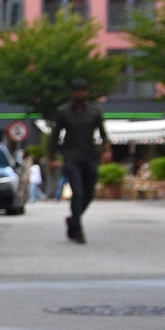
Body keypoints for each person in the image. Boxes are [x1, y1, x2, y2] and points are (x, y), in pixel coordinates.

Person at [46, 77, 109, 244]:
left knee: (89, 194)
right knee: (78, 193)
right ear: (72, 93)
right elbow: (55, 136)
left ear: (86, 93)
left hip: (90, 156)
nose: (80, 94)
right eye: (77, 91)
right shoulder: (63, 112)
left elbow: (103, 134)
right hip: (71, 156)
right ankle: (79, 231)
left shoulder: (95, 112)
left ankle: (73, 219)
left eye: (83, 91)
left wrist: (107, 151)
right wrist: (52, 158)